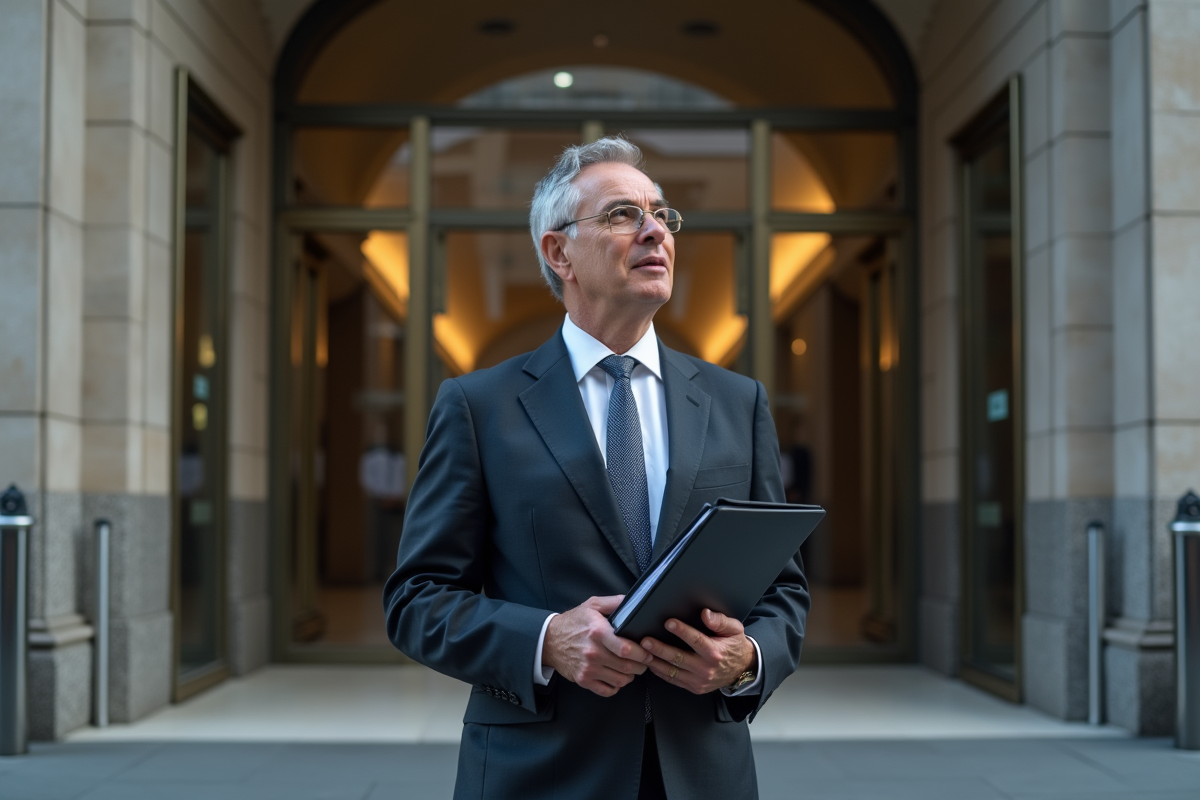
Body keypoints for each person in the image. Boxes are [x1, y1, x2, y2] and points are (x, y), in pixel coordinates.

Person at [383, 137, 809, 800]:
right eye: (621, 215)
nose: (654, 232)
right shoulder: (478, 406)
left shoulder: (737, 401)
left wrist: (747, 659)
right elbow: (416, 601)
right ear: (559, 253)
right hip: (539, 772)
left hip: (701, 770)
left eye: (663, 216)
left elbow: (783, 593)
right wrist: (545, 639)